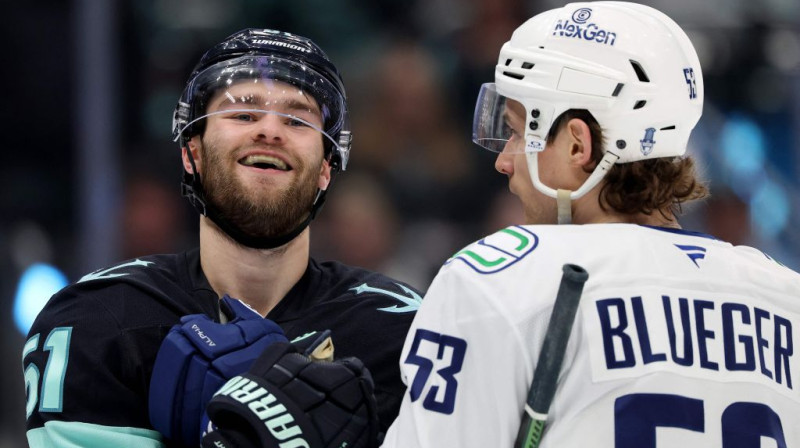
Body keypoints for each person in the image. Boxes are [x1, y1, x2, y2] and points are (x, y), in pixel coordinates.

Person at [379, 2, 800, 447]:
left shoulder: (499, 281)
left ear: (578, 143)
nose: (504, 160)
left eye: (519, 132)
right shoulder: (786, 295)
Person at [22, 28, 422, 447]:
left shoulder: (403, 331)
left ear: (326, 167)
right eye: (243, 114)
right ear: (190, 152)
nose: (270, 131)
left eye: (297, 119)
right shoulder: (98, 319)